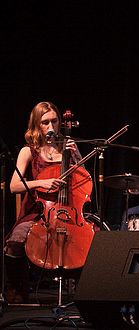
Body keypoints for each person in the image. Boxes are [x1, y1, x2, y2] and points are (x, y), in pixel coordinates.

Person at [5, 101, 82, 303]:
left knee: (92, 241)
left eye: (54, 122)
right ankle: (17, 292)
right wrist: (41, 182)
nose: (50, 127)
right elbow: (14, 186)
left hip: (69, 210)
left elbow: (85, 182)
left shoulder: (68, 148)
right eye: (45, 122)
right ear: (36, 125)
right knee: (15, 242)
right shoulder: (28, 151)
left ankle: (84, 293)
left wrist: (77, 156)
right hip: (38, 210)